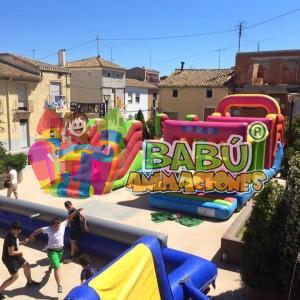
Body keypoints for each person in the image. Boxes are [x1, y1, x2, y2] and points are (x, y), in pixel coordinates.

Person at [29, 208, 83, 294]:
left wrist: (76, 212)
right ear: (52, 225)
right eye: (55, 226)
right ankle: (59, 286)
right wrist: (31, 235)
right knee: (57, 267)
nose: (57, 227)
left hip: (60, 251)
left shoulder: (62, 225)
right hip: (51, 251)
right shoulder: (48, 229)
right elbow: (39, 230)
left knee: (55, 265)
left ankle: (51, 266)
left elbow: (68, 218)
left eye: (58, 226)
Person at [0, 222, 39, 300]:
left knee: (26, 265)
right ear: (12, 229)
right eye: (17, 230)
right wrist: (20, 252)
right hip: (9, 259)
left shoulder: (14, 235)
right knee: (15, 277)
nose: (19, 231)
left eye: (20, 230)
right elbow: (11, 252)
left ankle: (30, 282)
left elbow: (15, 244)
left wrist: (22, 242)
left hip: (15, 256)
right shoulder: (10, 238)